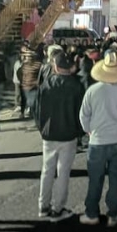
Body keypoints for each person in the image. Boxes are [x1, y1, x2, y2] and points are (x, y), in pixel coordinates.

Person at [79, 51, 117, 227]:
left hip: (97, 141)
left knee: (95, 180)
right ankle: (114, 214)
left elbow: (83, 116)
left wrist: (89, 131)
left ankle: (91, 213)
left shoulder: (93, 90)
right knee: (116, 179)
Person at [36, 52, 86, 222]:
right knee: (63, 172)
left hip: (49, 134)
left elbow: (37, 111)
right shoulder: (77, 86)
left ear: (55, 67)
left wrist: (42, 128)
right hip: (69, 133)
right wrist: (80, 132)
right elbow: (81, 112)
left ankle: (43, 206)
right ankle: (58, 208)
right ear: (69, 67)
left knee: (47, 169)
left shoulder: (46, 84)